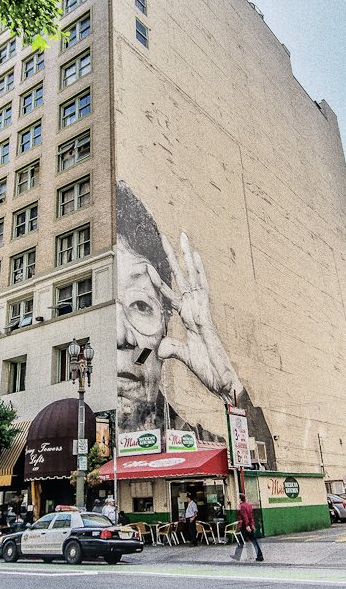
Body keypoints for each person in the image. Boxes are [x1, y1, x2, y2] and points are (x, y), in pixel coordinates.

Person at [114, 182, 277, 467]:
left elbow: (259, 467)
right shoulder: (70, 428)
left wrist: (232, 391)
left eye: (140, 304)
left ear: (166, 326)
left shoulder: (196, 443)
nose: (121, 334)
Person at [230, 493, 264, 562]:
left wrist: (247, 525)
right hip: (249, 526)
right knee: (254, 541)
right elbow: (251, 516)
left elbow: (245, 516)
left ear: (240, 499)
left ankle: (237, 555)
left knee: (241, 540)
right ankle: (260, 556)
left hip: (244, 527)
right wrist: (252, 525)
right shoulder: (248, 505)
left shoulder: (242, 506)